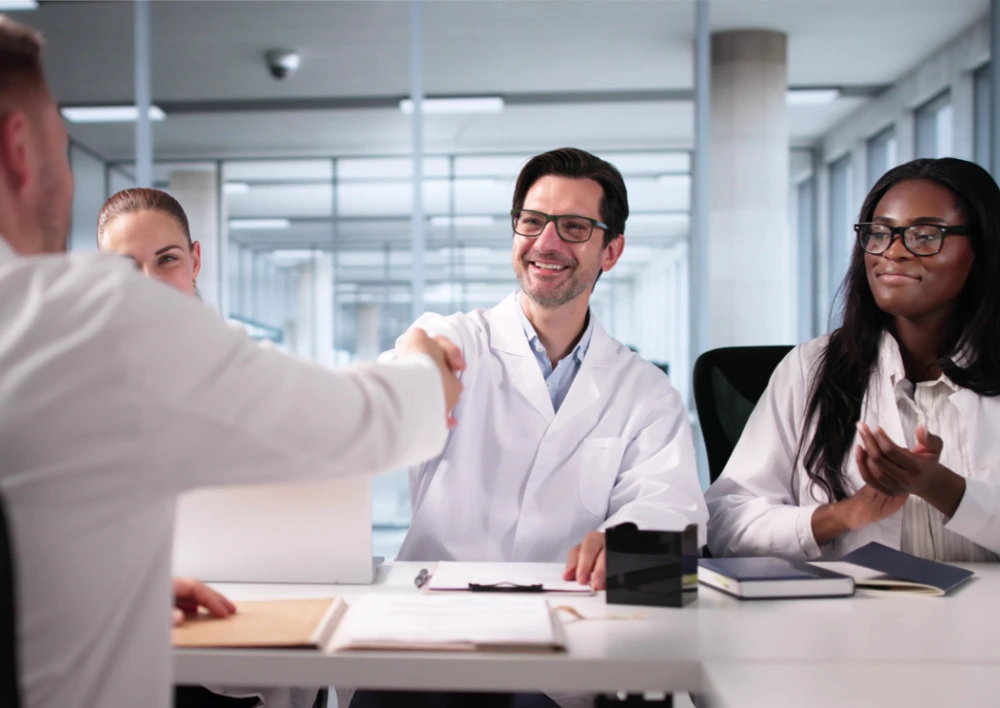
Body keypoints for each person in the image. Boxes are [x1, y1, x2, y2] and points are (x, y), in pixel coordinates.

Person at [0, 15, 463, 708]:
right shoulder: (87, 320)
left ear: (196, 259)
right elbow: (362, 426)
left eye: (168, 259)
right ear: (19, 152)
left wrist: (101, 585)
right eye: (63, 149)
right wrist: (425, 360)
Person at [349, 148, 707, 708]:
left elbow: (674, 512)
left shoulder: (645, 392)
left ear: (610, 251)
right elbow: (380, 408)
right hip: (433, 637)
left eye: (574, 227)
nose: (546, 242)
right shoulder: (453, 338)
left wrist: (630, 544)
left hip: (566, 647)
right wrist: (414, 370)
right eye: (533, 222)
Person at [706, 157, 1000, 563]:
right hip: (857, 620)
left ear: (981, 249)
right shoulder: (812, 368)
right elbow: (726, 524)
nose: (893, 253)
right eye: (879, 234)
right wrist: (846, 513)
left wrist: (941, 487)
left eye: (925, 235)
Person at [96, 187, 319, 708]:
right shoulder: (72, 389)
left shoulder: (265, 378)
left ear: (194, 260)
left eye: (166, 260)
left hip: (244, 621)